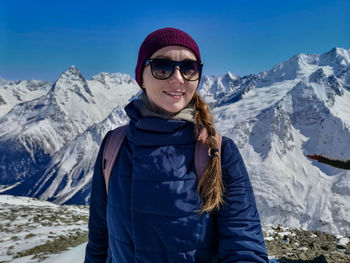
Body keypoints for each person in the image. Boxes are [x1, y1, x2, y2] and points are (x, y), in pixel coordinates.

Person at [85, 27, 268, 263]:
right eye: (162, 66)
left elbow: (244, 247)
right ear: (141, 76)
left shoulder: (218, 151)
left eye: (189, 68)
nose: (177, 78)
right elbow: (100, 241)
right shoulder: (114, 146)